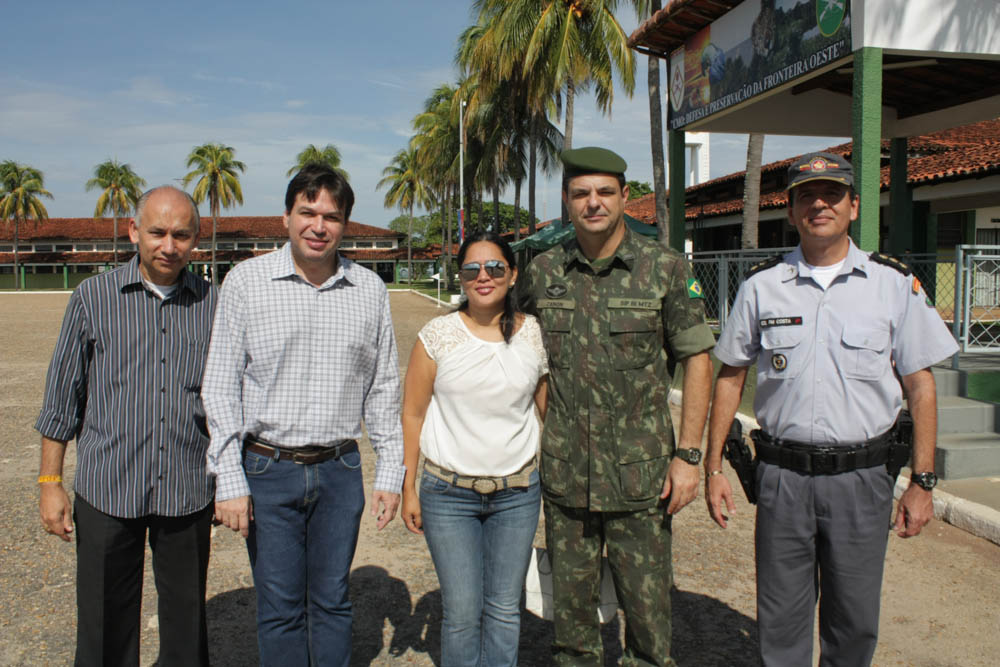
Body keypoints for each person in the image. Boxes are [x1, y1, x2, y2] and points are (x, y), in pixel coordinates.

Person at [704, 151, 959, 666]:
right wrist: (712, 467)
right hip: (782, 479)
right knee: (780, 623)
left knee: (854, 624)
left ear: (854, 205)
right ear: (792, 209)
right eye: (806, 196)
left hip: (862, 480)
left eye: (832, 193)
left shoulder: (893, 285)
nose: (819, 204)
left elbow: (921, 386)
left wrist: (922, 481)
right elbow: (730, 377)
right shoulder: (761, 285)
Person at [517, 147, 716, 666]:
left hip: (641, 479)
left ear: (626, 197)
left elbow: (698, 359)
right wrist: (551, 419)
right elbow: (521, 353)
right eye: (581, 193)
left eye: (605, 191)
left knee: (649, 629)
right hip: (567, 480)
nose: (593, 203)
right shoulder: (541, 272)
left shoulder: (666, 269)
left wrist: (689, 456)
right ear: (566, 201)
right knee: (573, 630)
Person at [202, 163, 404, 666]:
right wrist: (228, 479)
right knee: (280, 607)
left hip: (340, 470)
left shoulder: (369, 290)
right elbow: (220, 384)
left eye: (331, 217)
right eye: (307, 212)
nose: (318, 226)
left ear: (345, 224)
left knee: (333, 602)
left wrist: (392, 471)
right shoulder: (246, 282)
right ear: (286, 217)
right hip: (268, 469)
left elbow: (383, 388)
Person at [36, 185, 217, 666]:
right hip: (108, 489)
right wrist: (50, 482)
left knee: (185, 624)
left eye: (181, 234)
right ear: (134, 231)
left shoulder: (214, 306)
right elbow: (62, 398)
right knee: (103, 624)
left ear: (196, 239)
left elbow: (228, 401)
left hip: (186, 489)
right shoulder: (92, 298)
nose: (168, 245)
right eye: (157, 232)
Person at [401, 231, 548, 666]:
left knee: (505, 609)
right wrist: (409, 485)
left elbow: (548, 414)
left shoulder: (533, 335)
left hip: (518, 493)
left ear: (513, 274)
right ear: (460, 277)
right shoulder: (437, 335)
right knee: (462, 614)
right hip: (448, 493)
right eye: (471, 269)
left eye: (495, 267)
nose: (483, 276)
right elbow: (413, 413)